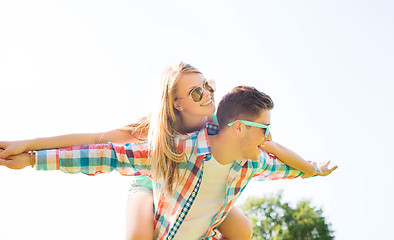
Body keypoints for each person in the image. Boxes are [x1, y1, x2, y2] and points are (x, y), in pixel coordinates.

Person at [0, 85, 337, 239]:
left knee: (243, 229)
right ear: (176, 103)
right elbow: (101, 149)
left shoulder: (247, 154)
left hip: (198, 211)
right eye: (196, 93)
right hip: (152, 181)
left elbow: (282, 160)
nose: (207, 96)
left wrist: (314, 169)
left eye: (208, 88)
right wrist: (31, 155)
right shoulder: (168, 144)